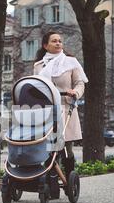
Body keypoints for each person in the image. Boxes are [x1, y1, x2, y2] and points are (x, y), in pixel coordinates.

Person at [33, 31, 88, 180]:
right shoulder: (39, 66)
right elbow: (37, 85)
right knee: (50, 145)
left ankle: (70, 176)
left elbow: (79, 83)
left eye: (60, 41)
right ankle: (50, 177)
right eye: (54, 41)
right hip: (47, 109)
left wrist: (75, 92)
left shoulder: (71, 62)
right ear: (45, 45)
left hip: (66, 106)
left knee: (66, 146)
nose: (58, 43)